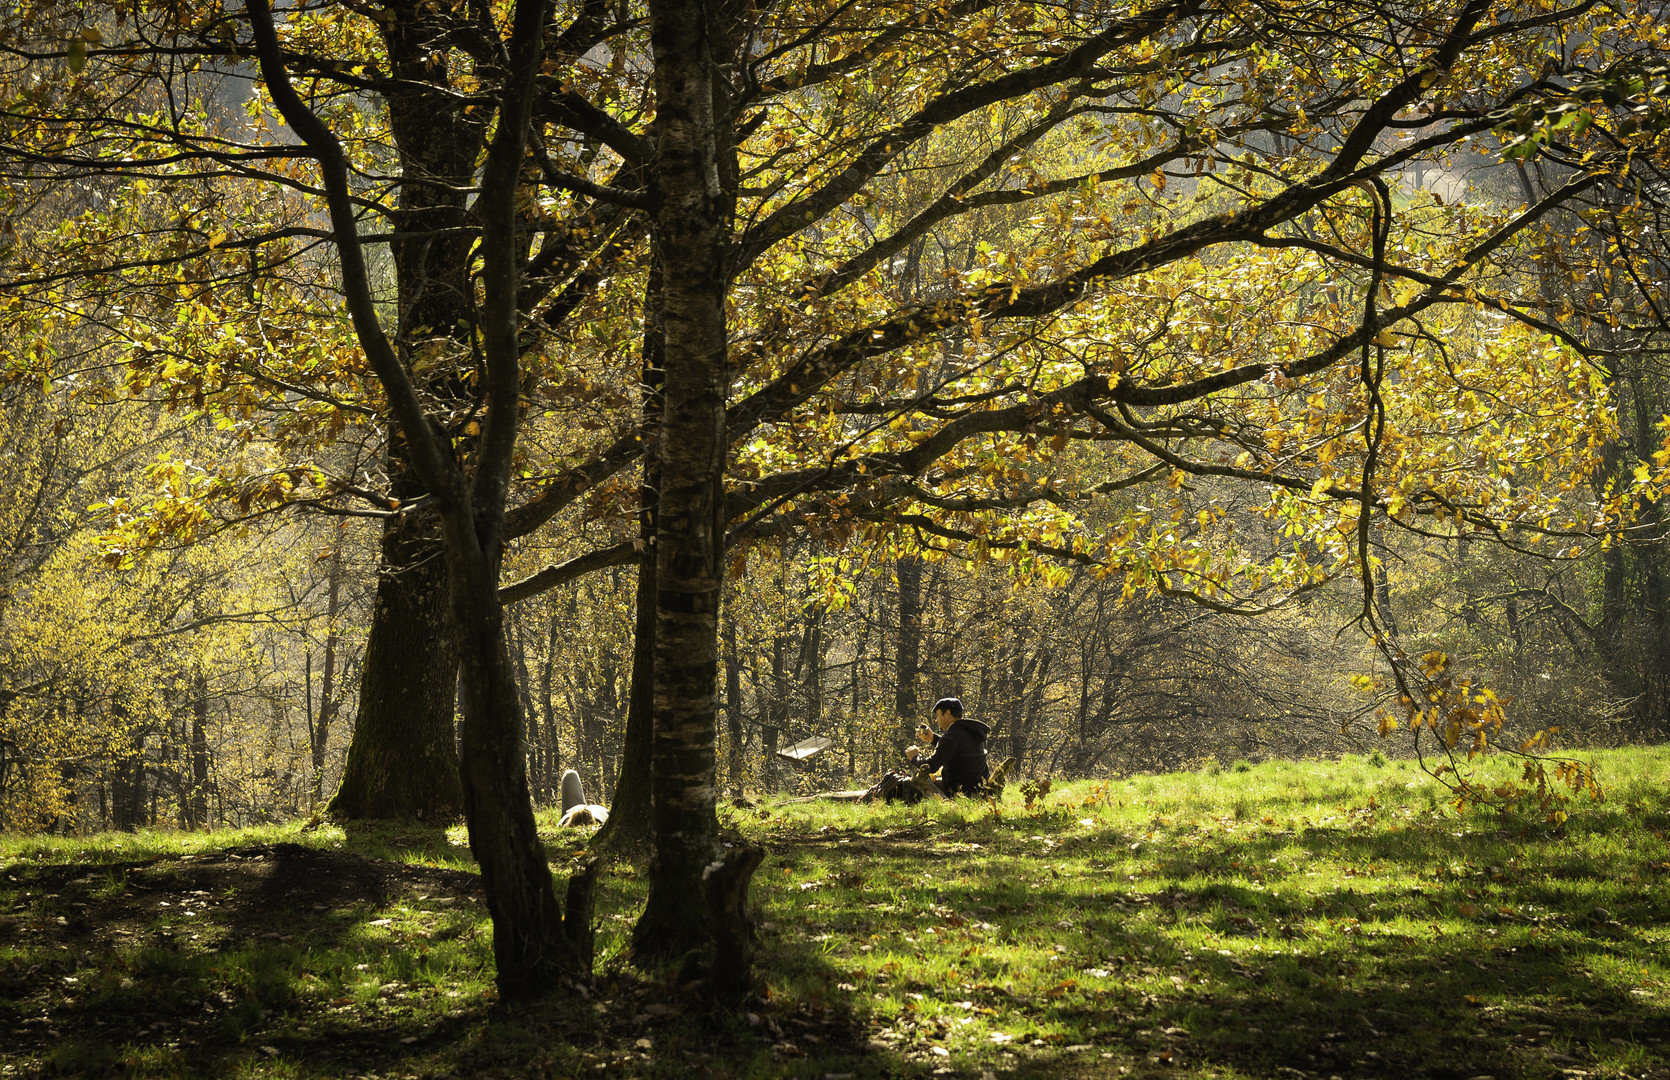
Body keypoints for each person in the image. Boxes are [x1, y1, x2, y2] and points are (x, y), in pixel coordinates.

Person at [904, 697, 990, 797]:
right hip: (978, 788)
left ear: (947, 713)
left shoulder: (951, 736)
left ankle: (943, 803)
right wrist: (933, 738)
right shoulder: (970, 731)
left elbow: (930, 766)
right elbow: (953, 748)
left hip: (959, 792)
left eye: (938, 715)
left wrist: (915, 757)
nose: (937, 720)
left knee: (915, 781)